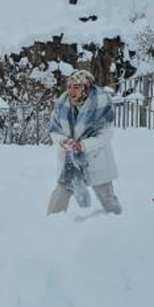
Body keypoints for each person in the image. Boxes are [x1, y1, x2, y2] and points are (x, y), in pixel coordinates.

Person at [46, 70, 122, 215]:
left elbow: (105, 135)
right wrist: (63, 142)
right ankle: (51, 227)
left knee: (108, 200)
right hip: (70, 161)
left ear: (86, 87)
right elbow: (54, 130)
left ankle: (120, 227)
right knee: (60, 195)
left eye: (76, 87)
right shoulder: (61, 105)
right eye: (69, 86)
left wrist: (82, 145)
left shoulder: (101, 104)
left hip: (95, 158)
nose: (71, 91)